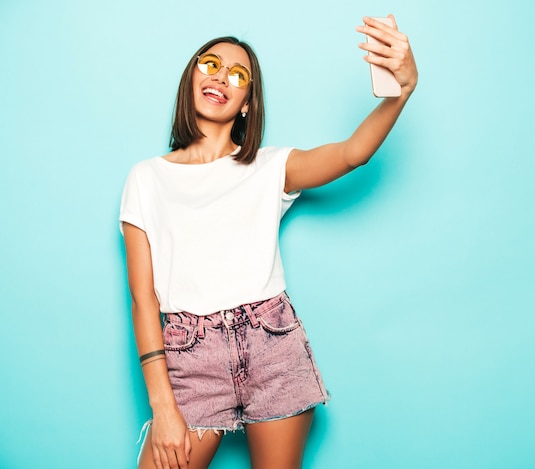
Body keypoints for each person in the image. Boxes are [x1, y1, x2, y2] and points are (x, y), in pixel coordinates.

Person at [120, 14, 417, 469]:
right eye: (211, 64)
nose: (221, 77)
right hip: (190, 353)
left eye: (238, 76)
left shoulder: (269, 166)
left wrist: (402, 92)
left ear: (245, 104)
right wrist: (163, 408)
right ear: (191, 78)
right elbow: (143, 300)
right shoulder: (146, 178)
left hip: (271, 344)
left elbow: (353, 153)